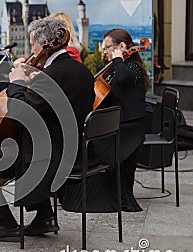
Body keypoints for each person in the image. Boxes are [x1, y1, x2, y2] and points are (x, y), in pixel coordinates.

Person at [0, 17, 95, 242]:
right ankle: (44, 217)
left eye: (32, 43)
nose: (31, 49)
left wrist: (16, 82)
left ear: (45, 44)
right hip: (74, 151)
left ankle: (6, 224)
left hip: (46, 158)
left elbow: (20, 112)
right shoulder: (81, 71)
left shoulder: (51, 76)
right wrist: (34, 82)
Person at [63, 28, 148, 213]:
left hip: (130, 129)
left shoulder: (132, 68)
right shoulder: (117, 68)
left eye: (109, 47)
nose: (105, 51)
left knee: (93, 147)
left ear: (122, 46)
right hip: (119, 124)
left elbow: (123, 78)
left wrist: (118, 58)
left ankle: (102, 193)